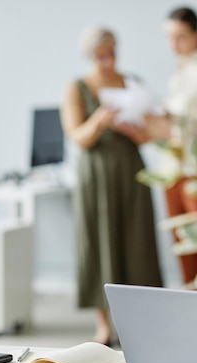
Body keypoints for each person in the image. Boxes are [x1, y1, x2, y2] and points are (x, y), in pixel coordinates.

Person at [60, 26, 162, 345]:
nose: (108, 60)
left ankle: (140, 323)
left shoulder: (133, 83)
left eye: (112, 52)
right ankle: (103, 325)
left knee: (136, 241)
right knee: (100, 242)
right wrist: (100, 120)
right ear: (91, 56)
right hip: (97, 173)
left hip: (131, 169)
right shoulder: (77, 88)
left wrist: (134, 129)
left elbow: (151, 132)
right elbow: (78, 136)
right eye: (101, 55)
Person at [145, 6, 197, 285]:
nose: (174, 44)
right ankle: (189, 315)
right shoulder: (179, 71)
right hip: (172, 169)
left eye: (180, 36)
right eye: (169, 37)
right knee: (183, 250)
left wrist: (176, 119)